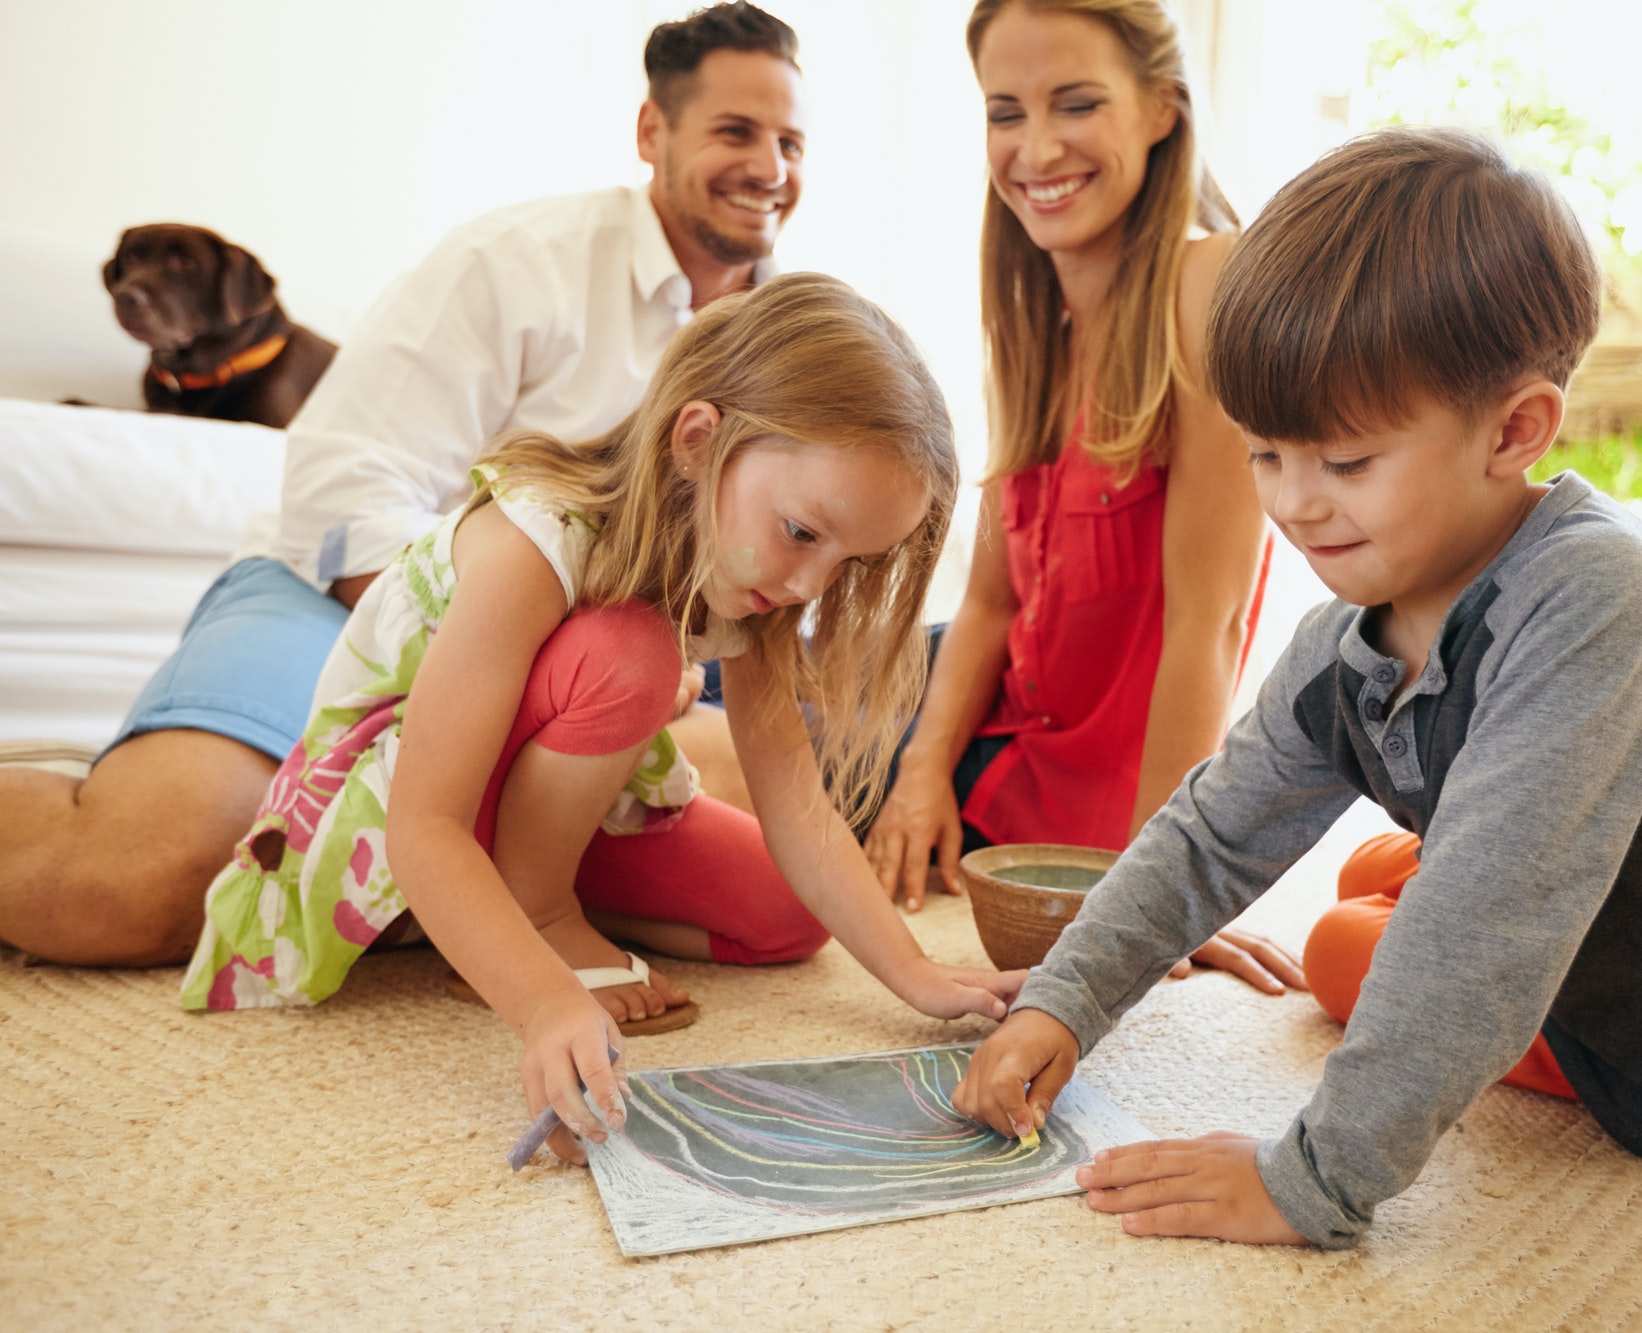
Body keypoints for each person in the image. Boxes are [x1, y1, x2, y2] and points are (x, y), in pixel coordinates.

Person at [952, 128, 1642, 1248]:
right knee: (1373, 868)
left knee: (1343, 947)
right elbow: (1209, 837)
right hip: (1536, 875)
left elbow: (1484, 928)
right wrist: (1059, 1002)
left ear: (1513, 430)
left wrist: (1307, 1177)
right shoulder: (1346, 635)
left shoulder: (1601, 592)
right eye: (1265, 454)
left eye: (1345, 462)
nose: (1294, 504)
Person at [0, 2, 802, 966]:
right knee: (131, 888)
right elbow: (342, 490)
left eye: (793, 140)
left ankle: (444, 882)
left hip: (572, 672)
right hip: (340, 604)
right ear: (652, 132)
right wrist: (505, 652)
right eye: (736, 131)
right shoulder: (516, 263)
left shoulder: (781, 340)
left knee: (781, 843)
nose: (771, 167)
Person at [184, 273, 1024, 1166]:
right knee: (634, 653)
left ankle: (502, 909)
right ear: (699, 441)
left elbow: (798, 804)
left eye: (848, 560)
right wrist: (545, 1000)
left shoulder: (759, 586)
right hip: (404, 801)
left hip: (557, 804)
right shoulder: (533, 537)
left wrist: (913, 968)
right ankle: (532, 915)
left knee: (786, 918)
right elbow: (423, 823)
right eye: (803, 532)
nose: (811, 586)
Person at [860, 0, 1300, 993]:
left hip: (1085, 794)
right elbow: (987, 602)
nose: (1034, 146)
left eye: (1075, 103)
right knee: (710, 701)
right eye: (1003, 111)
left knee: (704, 766)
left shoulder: (1207, 285)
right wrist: (921, 768)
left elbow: (1210, 619)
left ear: (1159, 110)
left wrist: (1164, 888)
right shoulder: (1034, 324)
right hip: (984, 721)